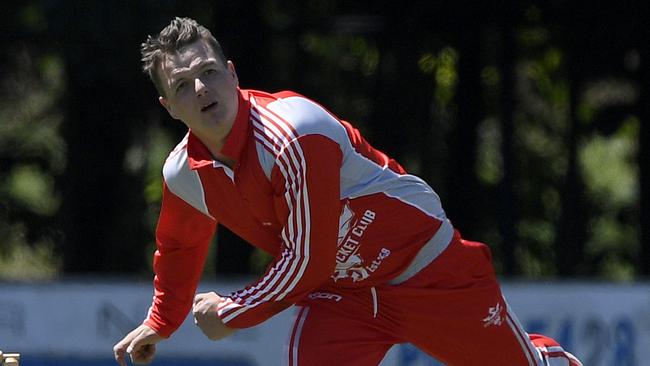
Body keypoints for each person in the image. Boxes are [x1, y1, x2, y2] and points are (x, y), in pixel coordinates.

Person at [113, 17, 583, 366]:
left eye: (209, 71)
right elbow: (179, 245)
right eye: (182, 84)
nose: (201, 87)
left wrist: (232, 311)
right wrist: (162, 319)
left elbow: (307, 259)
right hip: (343, 298)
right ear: (168, 107)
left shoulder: (296, 133)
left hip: (427, 267)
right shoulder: (182, 174)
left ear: (232, 73)